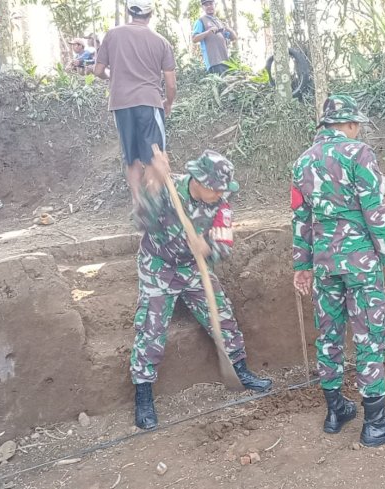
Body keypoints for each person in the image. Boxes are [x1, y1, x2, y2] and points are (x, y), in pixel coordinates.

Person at [291, 94, 385, 448]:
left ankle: (335, 410)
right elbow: (374, 210)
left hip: (323, 262)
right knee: (369, 333)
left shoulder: (301, 164)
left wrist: (302, 265)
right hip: (359, 260)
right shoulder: (358, 153)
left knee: (328, 333)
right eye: (356, 124)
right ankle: (375, 423)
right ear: (347, 124)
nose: (358, 130)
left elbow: (300, 218)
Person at [130, 150, 272, 430]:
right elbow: (141, 221)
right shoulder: (170, 190)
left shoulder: (222, 205)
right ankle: (143, 393)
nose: (221, 194)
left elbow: (223, 243)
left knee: (222, 314)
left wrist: (208, 248)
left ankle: (240, 369)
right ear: (201, 182)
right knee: (152, 327)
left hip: (193, 267)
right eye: (217, 189)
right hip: (158, 265)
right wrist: (154, 182)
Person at [93, 0, 176, 212]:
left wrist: (111, 76)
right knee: (154, 155)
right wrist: (168, 102)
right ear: (151, 14)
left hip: (121, 104)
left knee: (131, 156)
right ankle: (154, 203)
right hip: (149, 102)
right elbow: (171, 84)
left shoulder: (112, 35)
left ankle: (138, 203)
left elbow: (98, 70)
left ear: (130, 12)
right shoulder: (161, 42)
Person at [191, 0, 237, 75]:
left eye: (211, 4)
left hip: (226, 62)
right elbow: (194, 39)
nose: (209, 6)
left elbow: (234, 37)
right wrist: (208, 32)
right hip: (214, 62)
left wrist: (228, 28)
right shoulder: (201, 21)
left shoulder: (219, 22)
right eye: (206, 5)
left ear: (214, 5)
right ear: (202, 7)